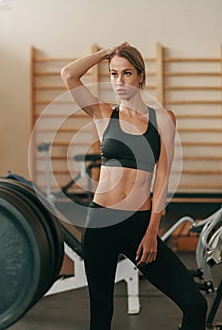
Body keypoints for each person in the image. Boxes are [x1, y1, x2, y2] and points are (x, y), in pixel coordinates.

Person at [61, 42, 207, 330]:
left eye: (126, 73)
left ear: (141, 75)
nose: (119, 81)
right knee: (101, 315)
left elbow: (162, 178)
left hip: (139, 224)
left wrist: (153, 231)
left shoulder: (163, 119)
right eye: (113, 74)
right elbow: (68, 74)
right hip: (100, 222)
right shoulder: (104, 114)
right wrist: (106, 54)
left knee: (194, 303)